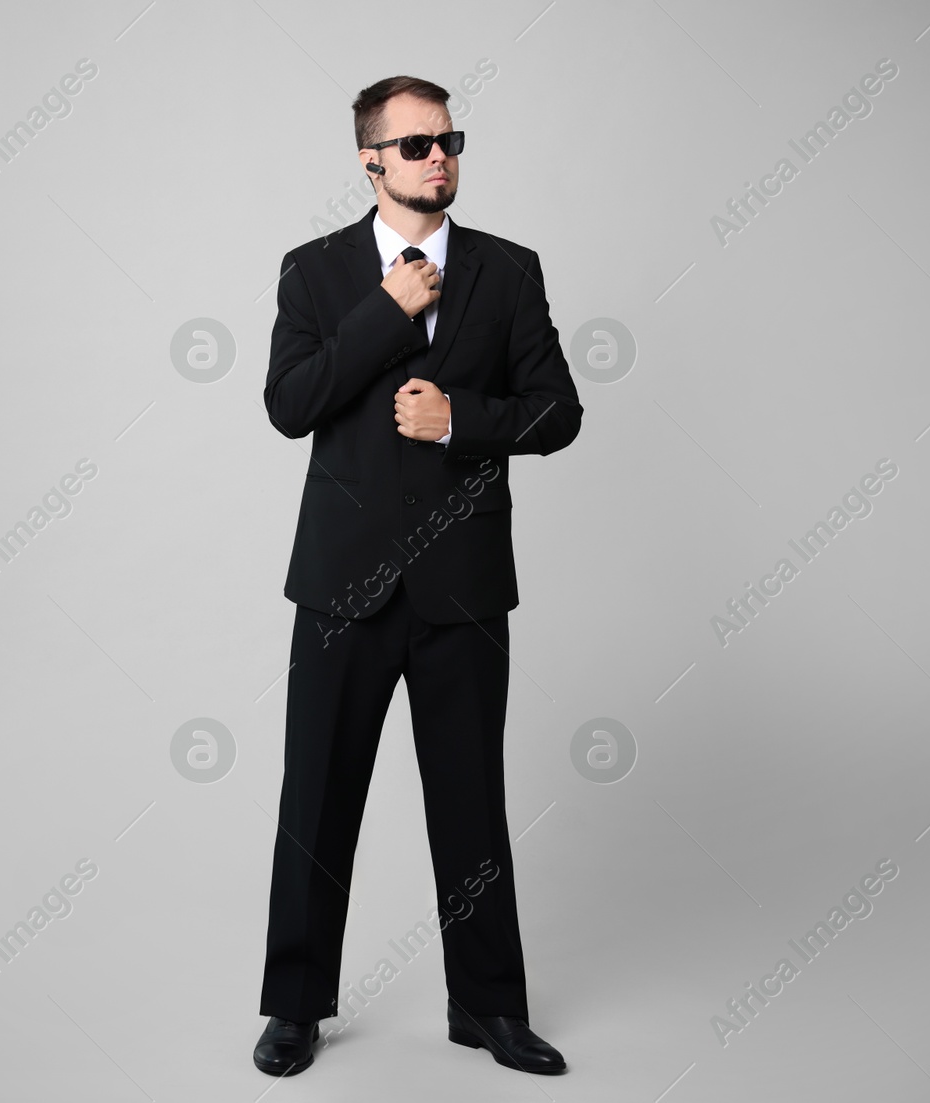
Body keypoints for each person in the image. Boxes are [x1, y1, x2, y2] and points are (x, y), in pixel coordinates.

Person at [254, 74, 582, 1077]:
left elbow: (557, 411)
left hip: (464, 585)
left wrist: (465, 421)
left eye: (448, 139)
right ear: (369, 160)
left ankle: (485, 1006)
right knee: (315, 800)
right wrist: (386, 313)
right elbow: (290, 403)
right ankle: (296, 1006)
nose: (437, 156)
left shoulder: (508, 271)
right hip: (341, 586)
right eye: (413, 145)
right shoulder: (313, 274)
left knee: (469, 799)